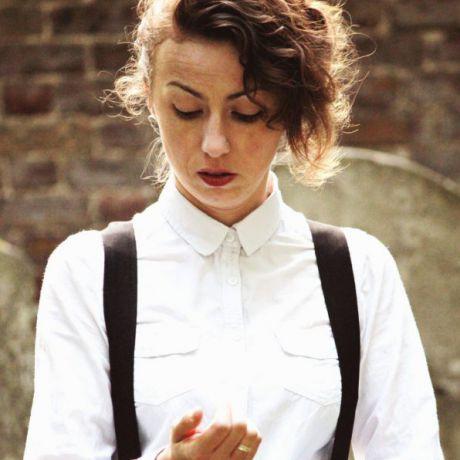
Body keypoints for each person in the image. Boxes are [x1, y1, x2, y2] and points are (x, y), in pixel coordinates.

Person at [23, 1, 444, 459]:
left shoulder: (359, 272)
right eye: (186, 109)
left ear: (289, 108)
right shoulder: (88, 273)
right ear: (149, 97)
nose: (215, 144)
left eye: (246, 111)